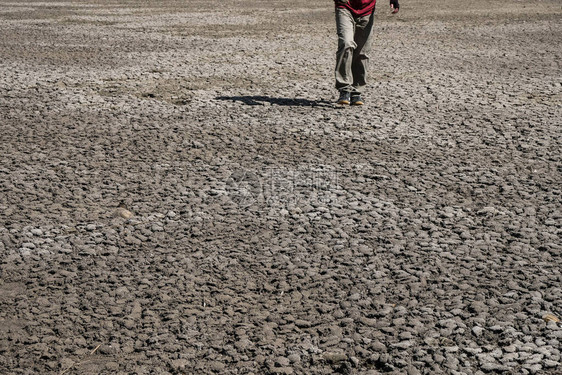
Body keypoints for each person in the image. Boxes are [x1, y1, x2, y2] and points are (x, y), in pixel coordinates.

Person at [334, 0, 399, 105]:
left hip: (367, 9)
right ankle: (344, 89)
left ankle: (356, 91)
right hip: (345, 6)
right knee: (346, 44)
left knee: (362, 51)